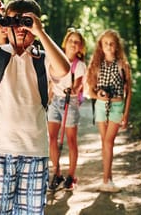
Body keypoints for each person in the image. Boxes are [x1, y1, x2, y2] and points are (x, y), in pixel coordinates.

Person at [0, 0, 70, 215]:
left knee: (30, 211)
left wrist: (40, 33)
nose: (20, 28)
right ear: (4, 25)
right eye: (13, 22)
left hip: (34, 151)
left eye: (26, 23)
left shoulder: (42, 59)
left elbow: (64, 69)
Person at [86, 29, 132, 193]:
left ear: (117, 46)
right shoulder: (96, 66)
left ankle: (107, 179)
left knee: (108, 142)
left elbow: (129, 91)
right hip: (100, 105)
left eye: (112, 43)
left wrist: (126, 114)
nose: (108, 46)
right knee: (105, 143)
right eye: (105, 43)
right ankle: (107, 179)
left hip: (117, 106)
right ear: (100, 45)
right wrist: (98, 95)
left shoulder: (122, 65)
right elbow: (90, 91)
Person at [47, 28, 87, 191]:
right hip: (55, 101)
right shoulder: (55, 58)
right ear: (65, 42)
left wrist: (73, 89)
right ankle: (56, 172)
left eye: (77, 42)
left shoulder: (79, 65)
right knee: (52, 138)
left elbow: (77, 86)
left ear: (80, 47)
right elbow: (51, 81)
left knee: (70, 140)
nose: (73, 44)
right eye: (71, 40)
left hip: (69, 102)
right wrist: (48, 97)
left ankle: (71, 176)